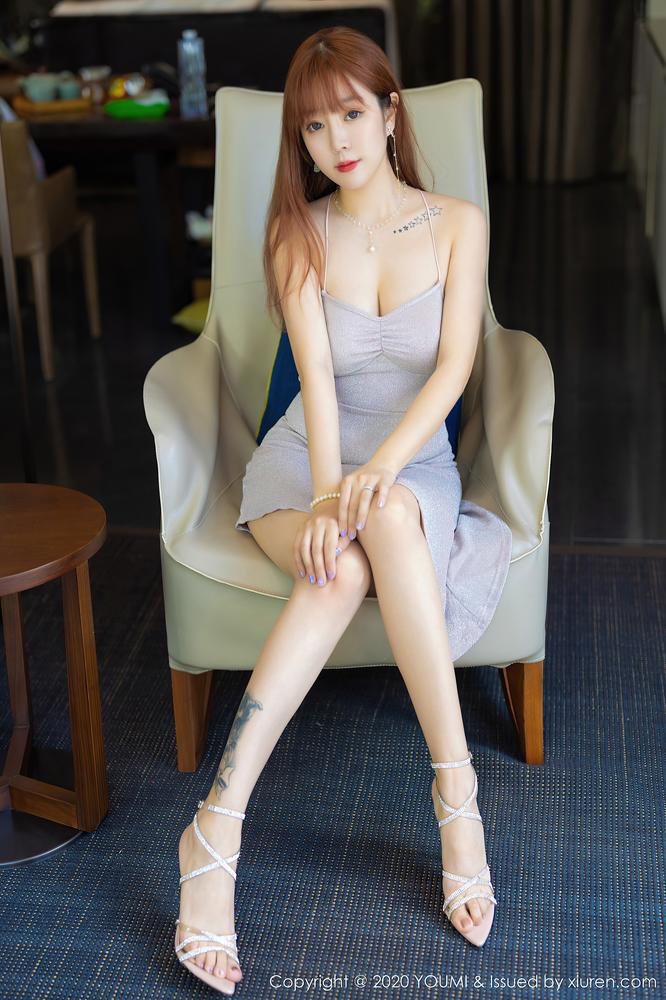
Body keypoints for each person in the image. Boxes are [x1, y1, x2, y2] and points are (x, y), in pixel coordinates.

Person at [174, 25, 513, 994]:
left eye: (352, 114)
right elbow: (316, 382)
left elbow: (454, 368)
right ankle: (219, 824)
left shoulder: (457, 221)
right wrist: (330, 495)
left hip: (414, 459)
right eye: (315, 126)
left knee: (391, 518)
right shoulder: (299, 230)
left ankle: (451, 793)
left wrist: (380, 474)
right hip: (306, 462)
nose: (336, 141)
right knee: (341, 561)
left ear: (391, 113)